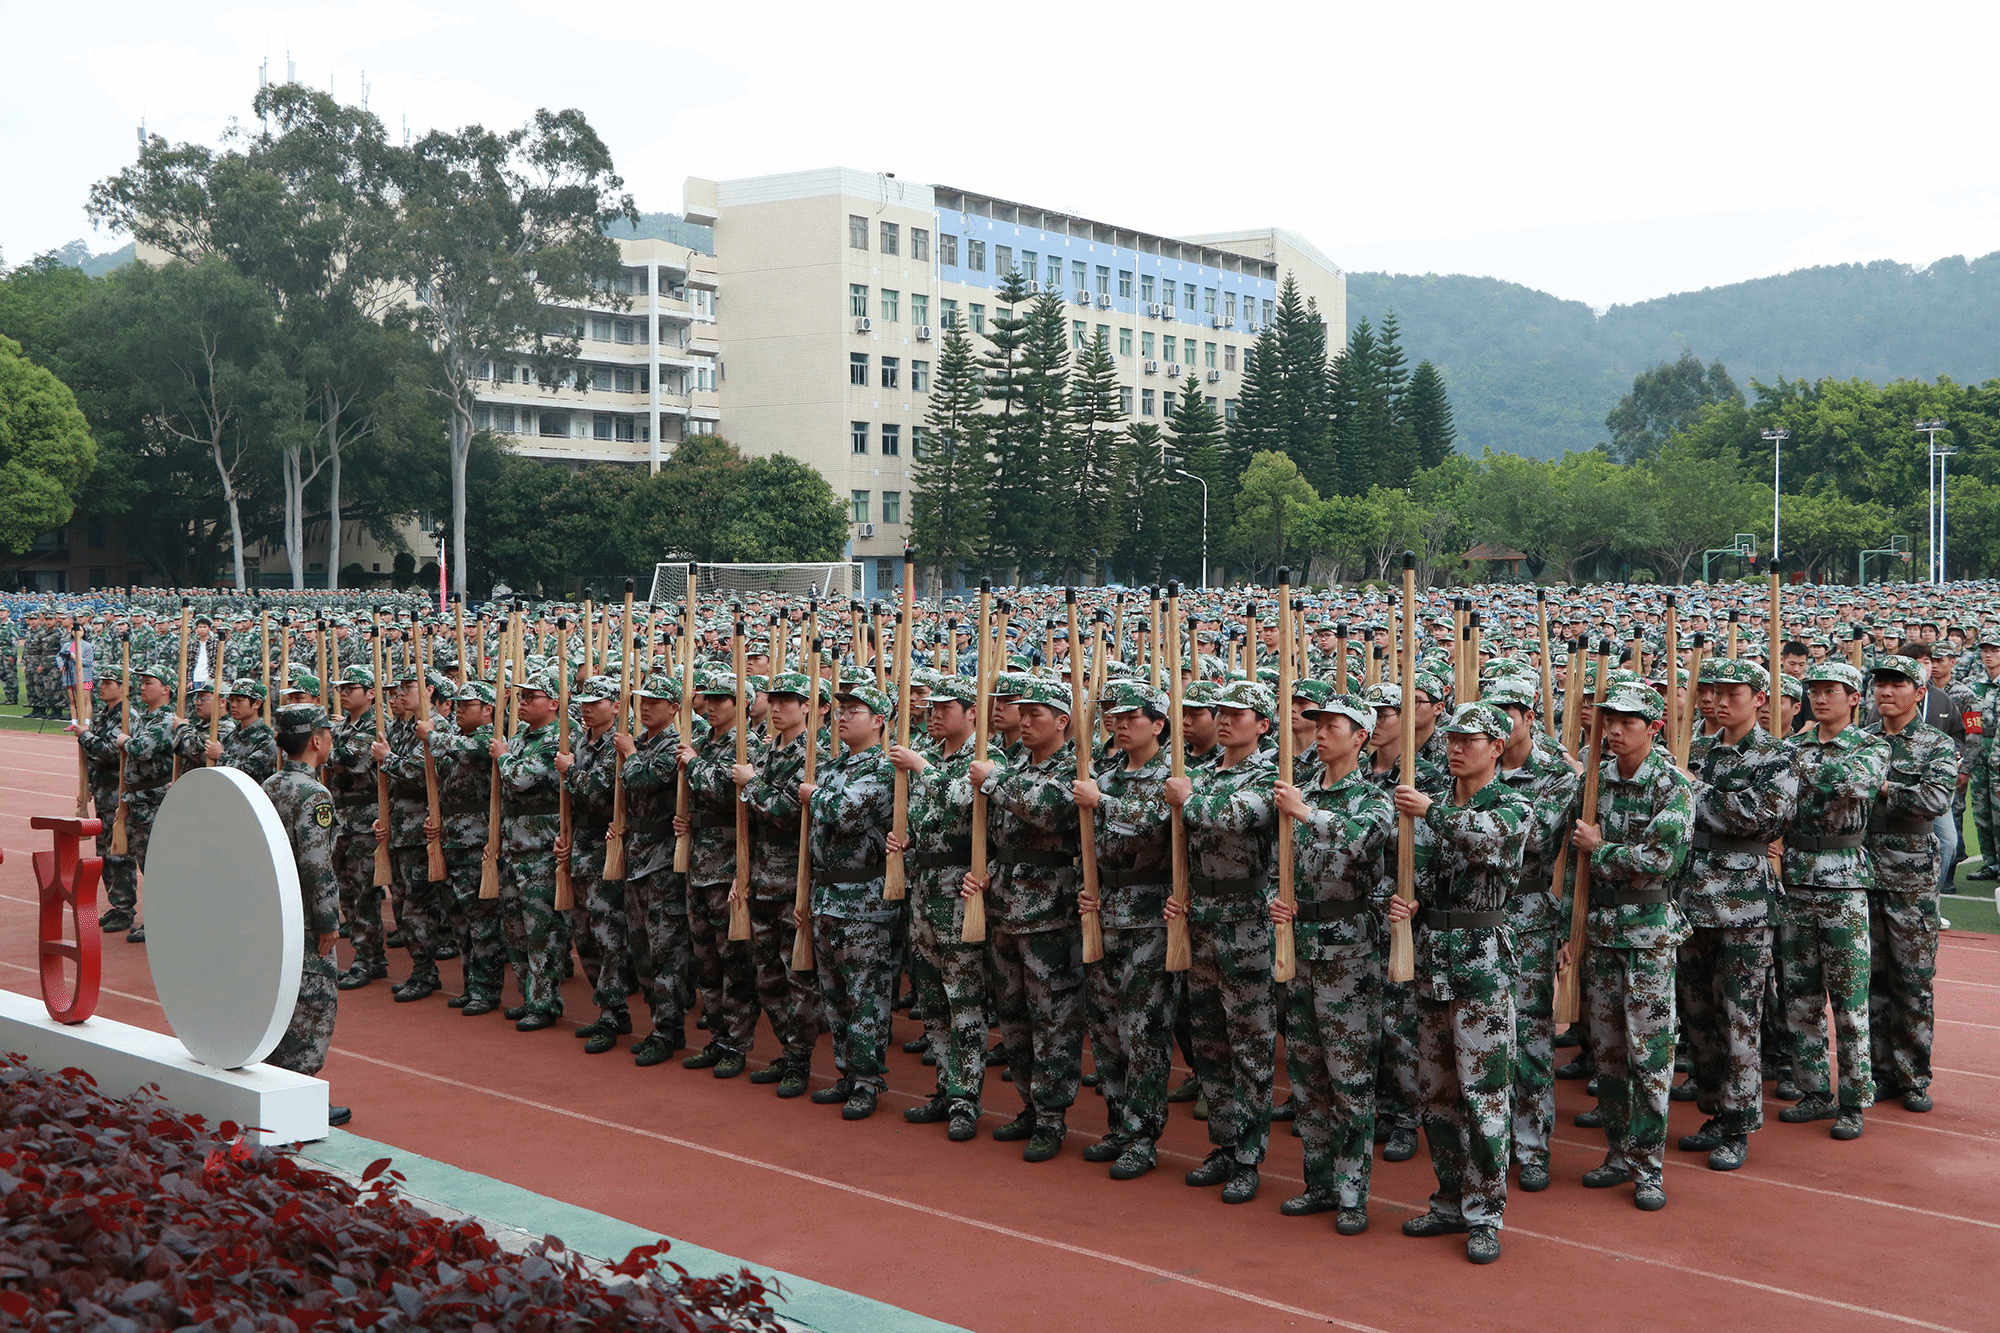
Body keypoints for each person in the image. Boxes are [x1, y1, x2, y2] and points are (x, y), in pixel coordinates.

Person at [1393, 701, 1530, 1265]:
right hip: (1432, 960)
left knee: (1484, 1095)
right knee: (1437, 1093)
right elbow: (1407, 871)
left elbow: (1487, 840)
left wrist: (1429, 812)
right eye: (1451, 738)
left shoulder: (1512, 805)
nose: (1455, 748)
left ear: (1496, 747)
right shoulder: (1430, 803)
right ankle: (1449, 1198)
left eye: (1468, 740)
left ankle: (1485, 1213)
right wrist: (1402, 901)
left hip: (1482, 965)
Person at [1270, 690, 1396, 1234]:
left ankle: (1351, 1192)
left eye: (1332, 727)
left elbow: (1365, 842)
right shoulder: (1299, 789)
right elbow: (1274, 864)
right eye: (1316, 725)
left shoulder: (1372, 799)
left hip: (1348, 953)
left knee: (1349, 1078)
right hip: (1299, 946)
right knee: (1306, 1074)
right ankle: (1318, 1182)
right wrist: (1274, 901)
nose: (1319, 733)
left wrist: (1305, 813)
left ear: (1360, 737)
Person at [1570, 680, 1693, 1210]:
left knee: (1650, 1051)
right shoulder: (1595, 780)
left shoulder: (1671, 784)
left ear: (1654, 728)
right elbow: (1568, 855)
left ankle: (1648, 1165)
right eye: (1610, 722)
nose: (1615, 731)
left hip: (1648, 934)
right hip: (1601, 930)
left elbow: (1662, 859)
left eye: (1628, 722)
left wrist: (1601, 850)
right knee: (1610, 1052)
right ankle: (1619, 1151)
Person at [1673, 659, 1797, 1172]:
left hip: (1743, 905)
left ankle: (1739, 1123)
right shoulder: (1697, 750)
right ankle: (1714, 1110)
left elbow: (1760, 815)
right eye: (1714, 692)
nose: (1720, 702)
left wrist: (1694, 791)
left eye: (1733, 693)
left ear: (1759, 698)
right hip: (1691, 899)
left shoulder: (1776, 755)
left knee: (1739, 1018)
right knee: (1698, 1017)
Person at [1164, 679, 1279, 1205]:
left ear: (1263, 724)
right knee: (1209, 1042)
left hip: (1247, 924)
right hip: (1203, 919)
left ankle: (1249, 1155)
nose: (1226, 720)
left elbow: (1236, 817)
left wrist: (1187, 799)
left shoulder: (1271, 773)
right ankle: (1224, 1144)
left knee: (1248, 1045)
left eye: (1238, 713)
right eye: (1222, 712)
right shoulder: (1205, 772)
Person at [969, 677, 1087, 1163]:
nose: (1024, 720)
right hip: (1003, 907)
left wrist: (994, 782)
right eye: (1021, 712)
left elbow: (1052, 812)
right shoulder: (1014, 764)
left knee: (1052, 1018)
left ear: (1061, 721)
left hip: (1049, 913)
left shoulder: (1075, 767)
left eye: (1035, 713)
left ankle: (1052, 1116)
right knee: (1013, 1016)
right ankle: (1029, 1106)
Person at [1777, 661, 1889, 1140]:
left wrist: (1791, 769)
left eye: (1831, 691)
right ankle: (1814, 1091)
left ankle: (1854, 1099)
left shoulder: (1871, 746)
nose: (1820, 699)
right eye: (1814, 691)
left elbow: (1851, 782)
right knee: (1799, 994)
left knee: (1848, 996)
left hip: (1843, 880)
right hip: (1795, 877)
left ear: (1854, 699)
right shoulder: (1792, 747)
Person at [1072, 680, 1176, 1181]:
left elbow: (1155, 823)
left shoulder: (1171, 775)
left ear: (1158, 725)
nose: (1120, 724)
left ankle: (1142, 1135)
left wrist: (1102, 803)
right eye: (1116, 717)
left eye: (1133, 717)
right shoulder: (1106, 774)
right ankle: (1118, 1122)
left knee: (1143, 1032)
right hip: (1103, 912)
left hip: (1148, 918)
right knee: (1106, 1030)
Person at [1482, 676, 1579, 1192]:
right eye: (1492, 709)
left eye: (1510, 710)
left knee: (1532, 1036)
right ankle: (1490, 1141)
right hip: (1478, 911)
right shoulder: (1469, 764)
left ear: (1529, 716)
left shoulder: (1554, 774)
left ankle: (1532, 1144)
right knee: (1483, 1036)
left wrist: (1473, 817)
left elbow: (1533, 838)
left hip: (1529, 913)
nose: (1500, 719)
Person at [891, 674, 996, 1140]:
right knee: (932, 998)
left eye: (944, 707)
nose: (932, 713)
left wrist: (920, 767)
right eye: (930, 706)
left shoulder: (985, 759)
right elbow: (924, 819)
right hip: (924, 888)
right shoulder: (930, 755)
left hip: (960, 891)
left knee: (964, 1000)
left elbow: (960, 802)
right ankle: (944, 1087)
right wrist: (907, 842)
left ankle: (965, 1099)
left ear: (972, 713)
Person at [1862, 655, 1957, 1113]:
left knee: (1912, 980)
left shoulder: (1935, 744)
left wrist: (1879, 787)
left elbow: (1933, 800)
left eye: (1897, 684)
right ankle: (1881, 1071)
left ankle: (1913, 1076)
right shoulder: (1862, 740)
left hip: (1912, 878)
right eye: (1880, 683)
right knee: (1872, 979)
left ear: (1919, 693)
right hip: (1864, 872)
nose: (1885, 691)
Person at [798, 682, 898, 1120]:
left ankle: (867, 1081)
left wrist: (813, 795)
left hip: (863, 900)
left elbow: (847, 814)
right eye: (840, 711)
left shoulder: (882, 768)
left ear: (878, 721)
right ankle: (847, 1071)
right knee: (835, 994)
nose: (842, 717)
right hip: (826, 894)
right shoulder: (835, 765)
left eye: (853, 711)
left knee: (865, 994)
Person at [732, 670, 824, 1092]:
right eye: (774, 700)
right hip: (762, 877)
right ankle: (788, 1048)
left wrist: (751, 785)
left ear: (807, 707)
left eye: (788, 701)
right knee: (767, 976)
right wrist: (743, 872)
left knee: (797, 976)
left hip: (793, 879)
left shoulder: (812, 754)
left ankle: (800, 1059)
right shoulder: (768, 751)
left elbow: (789, 811)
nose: (777, 708)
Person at [261, 702, 349, 1127]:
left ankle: (273, 1082)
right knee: (314, 1003)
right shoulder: (314, 794)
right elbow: (317, 865)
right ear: (316, 741)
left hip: (274, 909)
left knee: (277, 998)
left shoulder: (271, 784)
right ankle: (299, 1094)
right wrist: (329, 921)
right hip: (305, 916)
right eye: (327, 734)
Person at [677, 671, 761, 1076]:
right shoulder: (700, 740)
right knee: (705, 961)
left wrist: (693, 765)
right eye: (707, 698)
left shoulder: (747, 744)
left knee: (735, 962)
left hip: (729, 865)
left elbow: (729, 790)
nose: (710, 706)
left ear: (741, 704)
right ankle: (717, 1035)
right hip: (698, 862)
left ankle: (737, 1042)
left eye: (720, 699)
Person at [617, 674, 698, 1066]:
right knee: (641, 948)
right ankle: (659, 1022)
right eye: (642, 701)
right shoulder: (642, 742)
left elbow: (644, 779)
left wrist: (630, 754)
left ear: (674, 708)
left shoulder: (674, 746)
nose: (645, 707)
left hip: (664, 858)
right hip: (636, 855)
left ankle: (668, 1029)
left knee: (665, 948)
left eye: (654, 702)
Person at [559, 674, 634, 1052]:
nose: (587, 709)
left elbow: (598, 789)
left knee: (607, 933)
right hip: (580, 847)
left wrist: (569, 771)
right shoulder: (579, 742)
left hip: (607, 849)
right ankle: (610, 1008)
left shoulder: (618, 745)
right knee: (583, 934)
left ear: (616, 706)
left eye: (596, 703)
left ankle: (611, 1011)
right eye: (584, 703)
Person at [490, 670, 568, 1031]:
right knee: (516, 930)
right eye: (520, 697)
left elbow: (519, 779)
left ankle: (544, 1001)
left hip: (541, 848)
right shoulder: (521, 737)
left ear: (553, 703)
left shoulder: (558, 738)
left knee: (542, 932)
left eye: (530, 697)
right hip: (513, 845)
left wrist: (503, 758)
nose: (521, 703)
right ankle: (528, 996)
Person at [429, 680, 505, 1014]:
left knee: (482, 921)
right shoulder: (455, 740)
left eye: (466, 705)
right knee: (459, 920)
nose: (459, 710)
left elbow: (467, 752)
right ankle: (470, 984)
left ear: (487, 709)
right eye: (457, 705)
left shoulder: (489, 741)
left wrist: (431, 735)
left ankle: (486, 989)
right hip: (452, 839)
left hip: (477, 841)